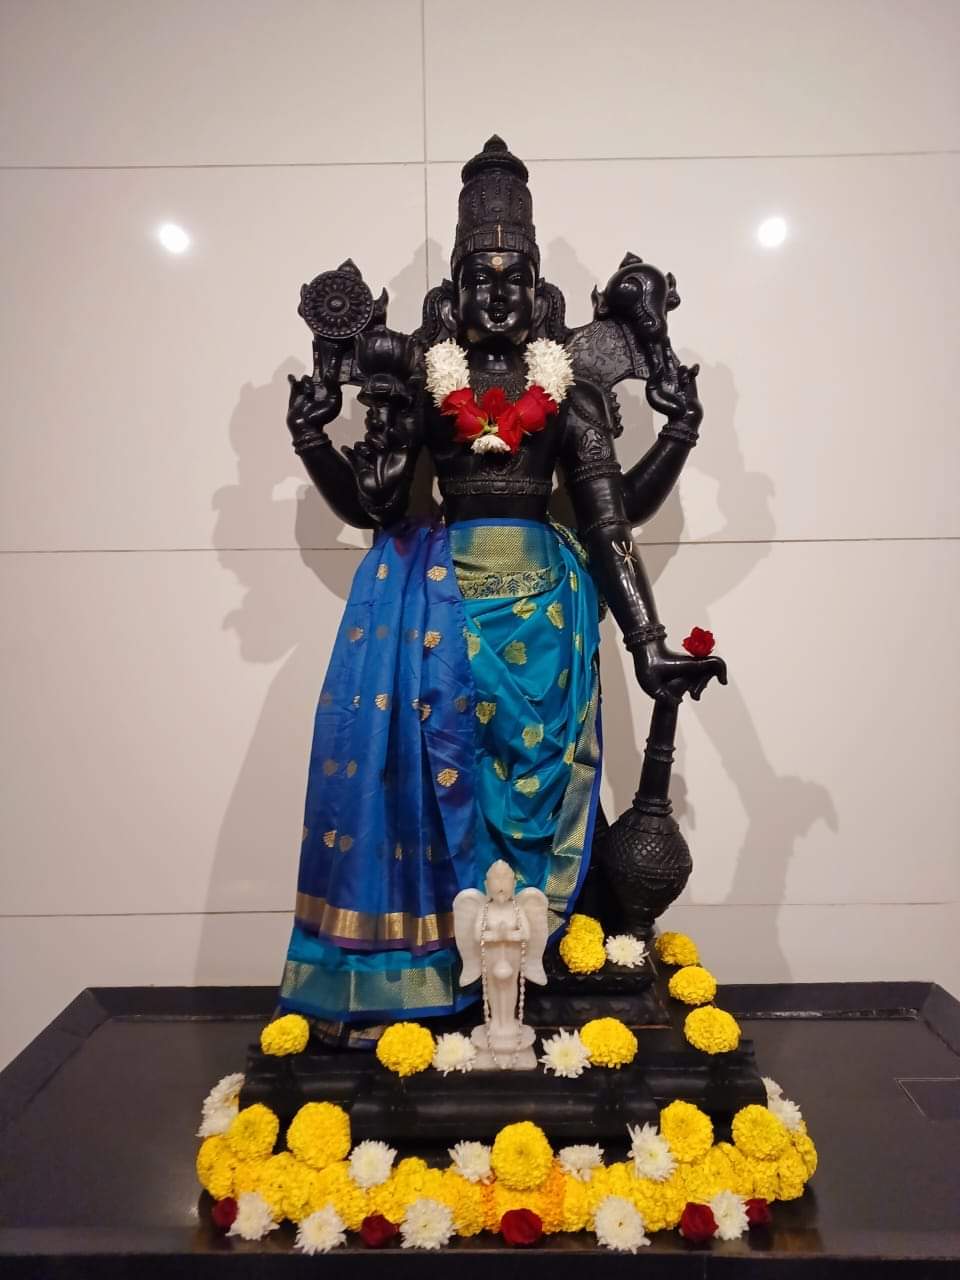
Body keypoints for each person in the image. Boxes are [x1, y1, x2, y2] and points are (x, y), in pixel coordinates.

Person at [279, 138, 725, 1045]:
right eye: (478, 280)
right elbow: (373, 506)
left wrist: (647, 644)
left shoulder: (568, 394)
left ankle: (539, 957)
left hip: (547, 621)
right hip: (441, 618)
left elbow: (609, 523)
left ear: (539, 293)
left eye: (513, 278)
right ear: (451, 292)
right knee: (443, 780)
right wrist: (313, 440)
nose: (496, 295)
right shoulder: (421, 381)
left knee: (539, 782)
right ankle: (443, 968)